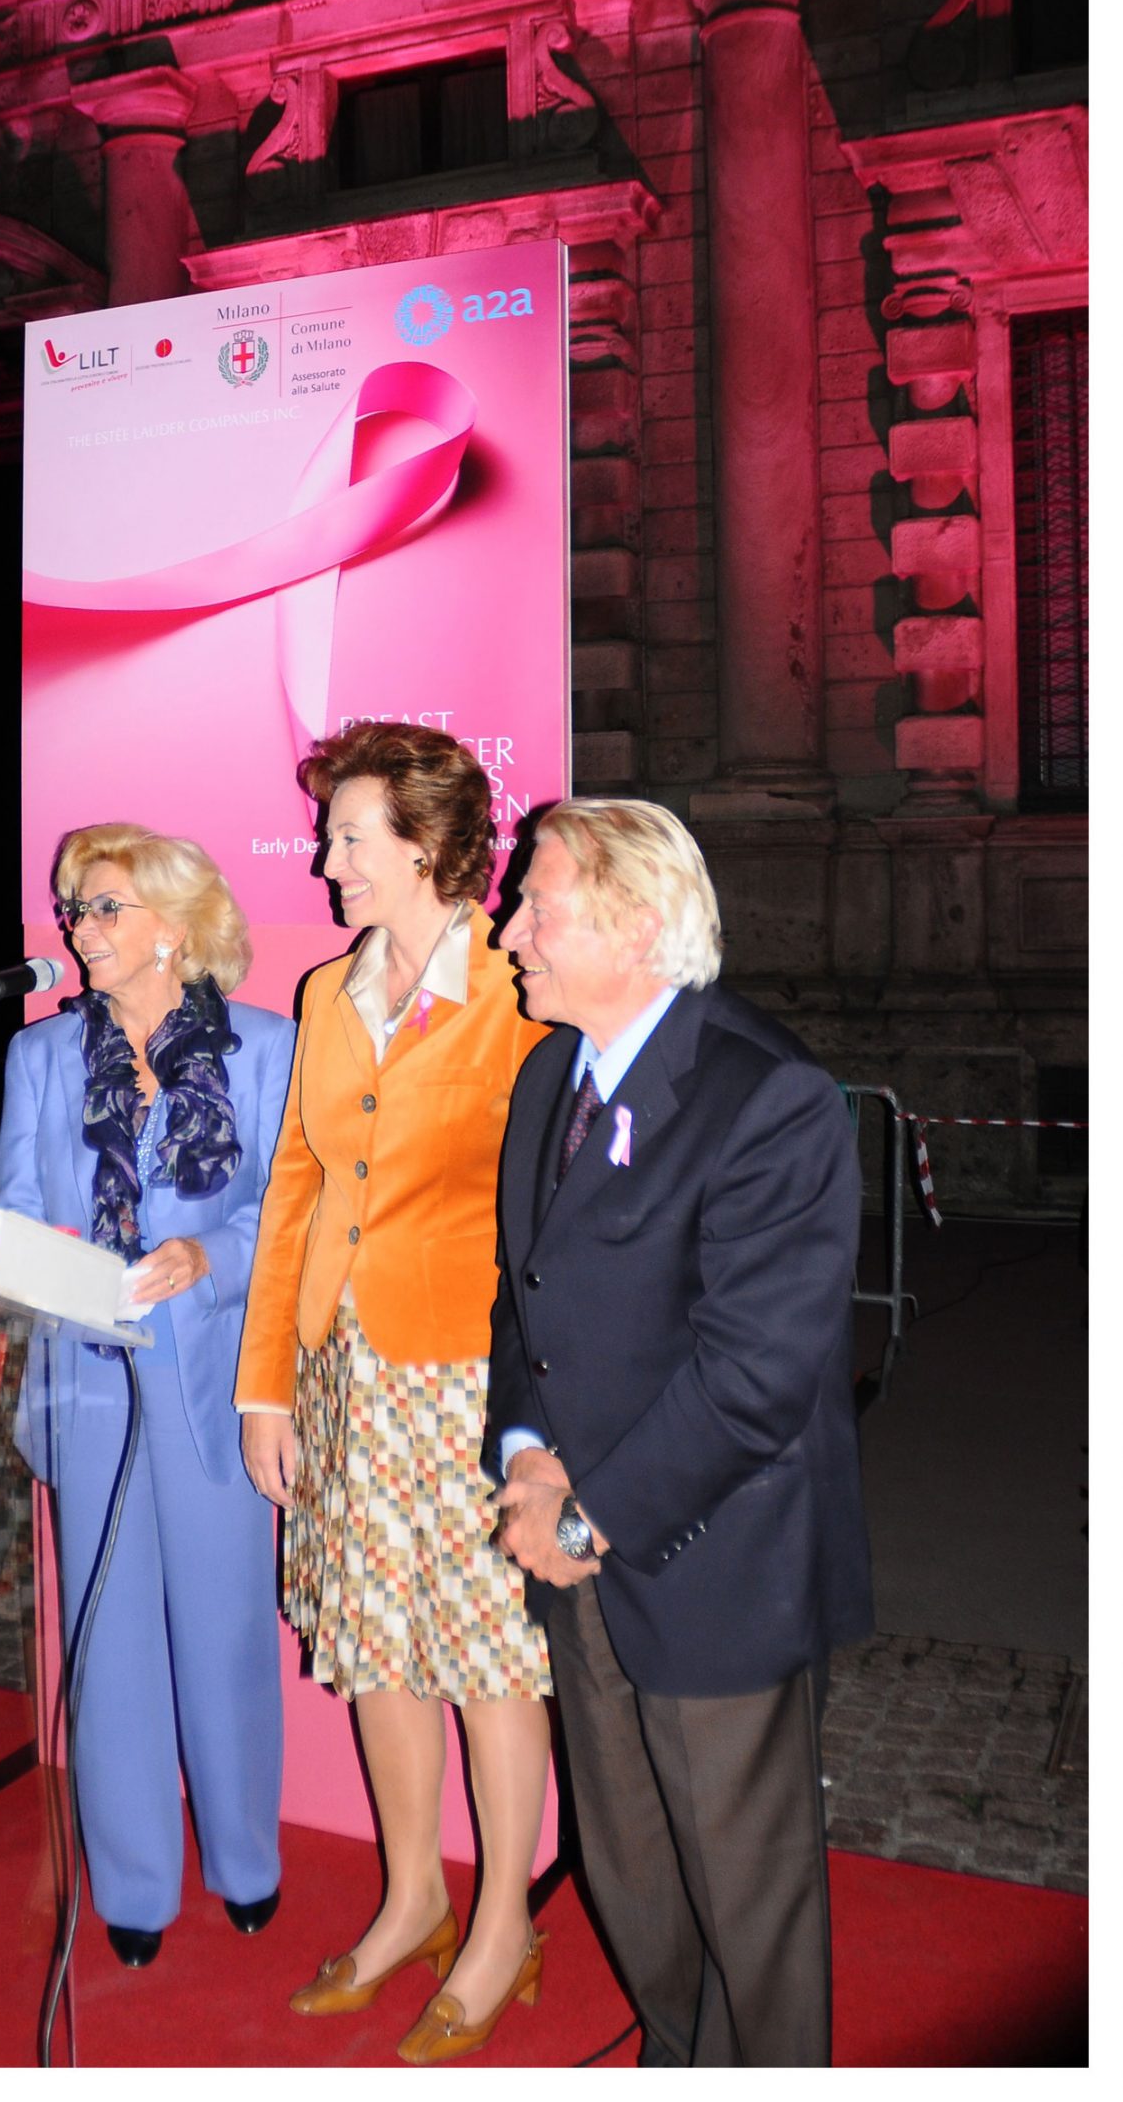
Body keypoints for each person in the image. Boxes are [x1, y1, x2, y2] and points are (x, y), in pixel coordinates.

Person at [486, 798, 873, 2068]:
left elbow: (753, 1377)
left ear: (638, 928)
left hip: (712, 1561)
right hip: (577, 1550)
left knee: (745, 1904)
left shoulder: (766, 1094)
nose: (508, 932)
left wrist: (583, 1519)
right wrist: (525, 1452)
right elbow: (523, 1297)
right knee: (629, 1867)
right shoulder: (548, 1074)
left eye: (537, 906)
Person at [236, 723, 550, 2066]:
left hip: (470, 1372)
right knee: (372, 1637)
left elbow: (554, 1202)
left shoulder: (518, 986)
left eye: (350, 837)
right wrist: (266, 1386)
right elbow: (295, 1190)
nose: (327, 862)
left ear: (424, 844)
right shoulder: (327, 992)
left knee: (486, 1654)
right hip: (343, 1371)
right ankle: (414, 1893)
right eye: (330, 837)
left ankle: (502, 1923)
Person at [0, 824, 292, 1968]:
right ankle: (130, 1883)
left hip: (210, 1373)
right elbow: (19, 1205)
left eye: (104, 906)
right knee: (107, 1633)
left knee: (225, 1627)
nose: (79, 928)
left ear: (173, 925)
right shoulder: (39, 1053)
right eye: (74, 907)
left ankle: (245, 1859)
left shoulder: (265, 1047)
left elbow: (292, 1210)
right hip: (86, 1368)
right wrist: (26, 1248)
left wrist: (209, 1253)